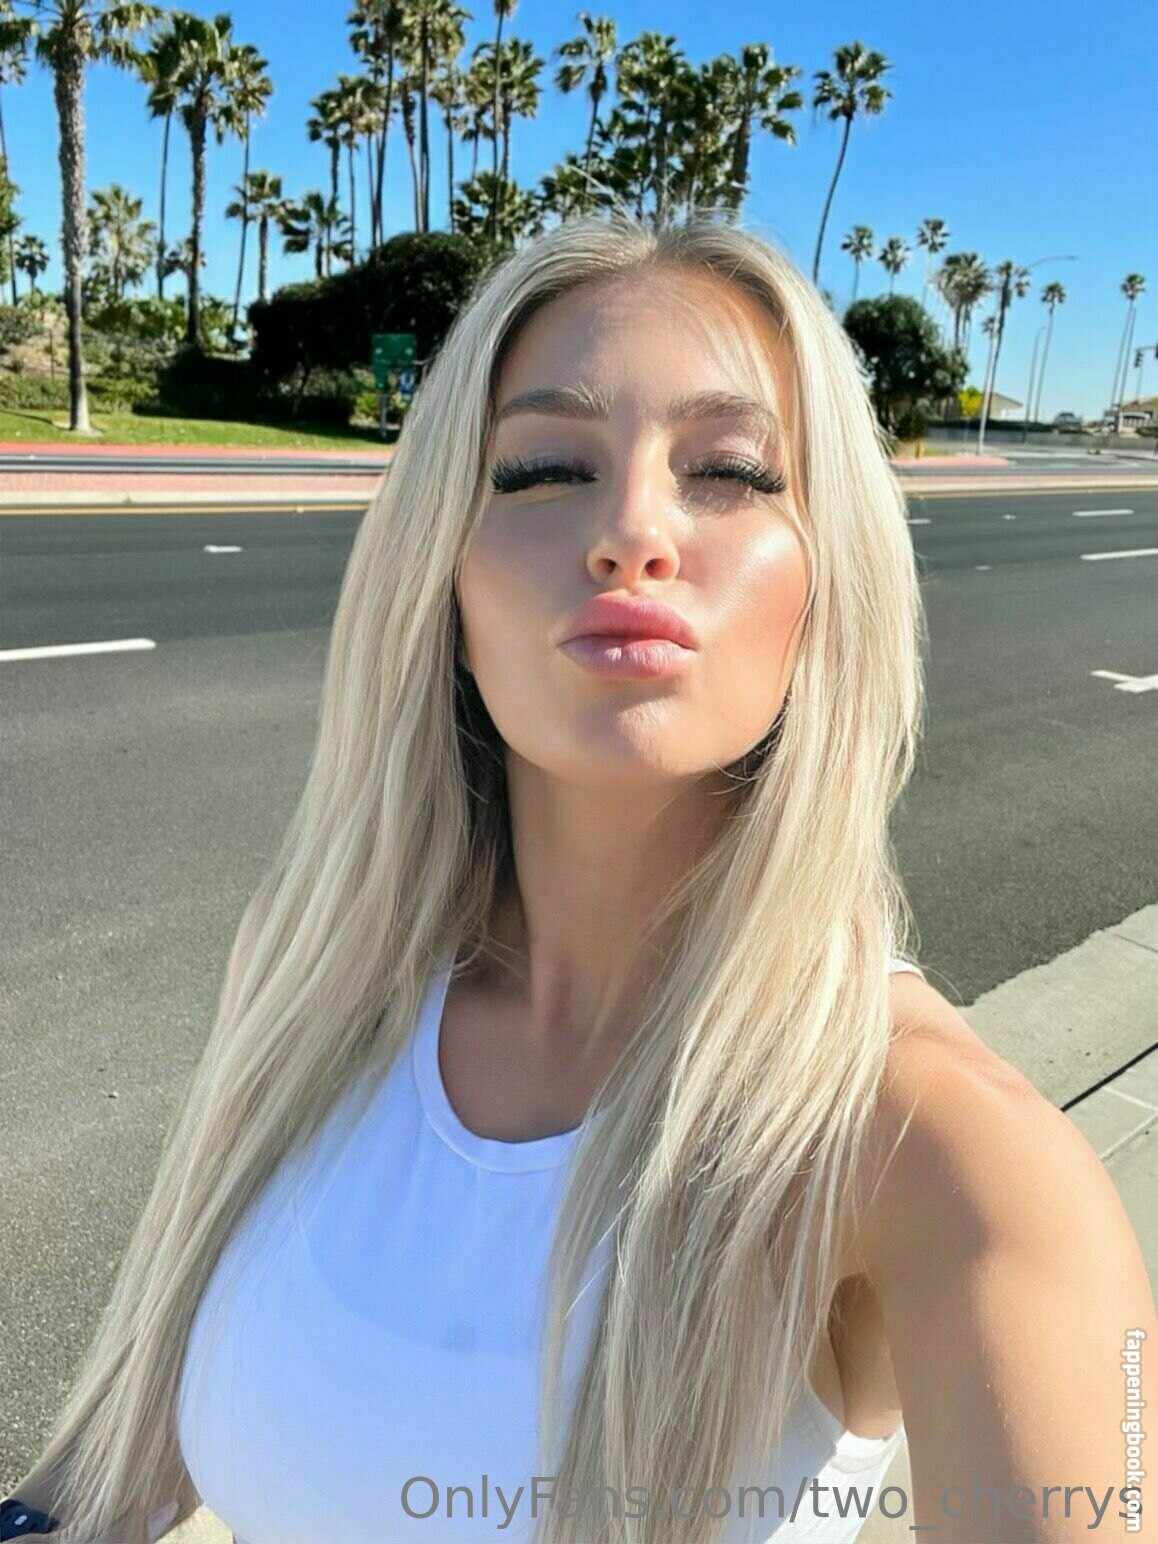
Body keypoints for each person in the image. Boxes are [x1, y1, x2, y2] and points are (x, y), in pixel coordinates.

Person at [5, 212, 1154, 1544]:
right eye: (545, 468)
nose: (631, 531)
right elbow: (126, 1455)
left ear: (828, 588)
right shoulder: (310, 976)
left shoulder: (947, 1152)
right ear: (445, 583)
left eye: (729, 471)